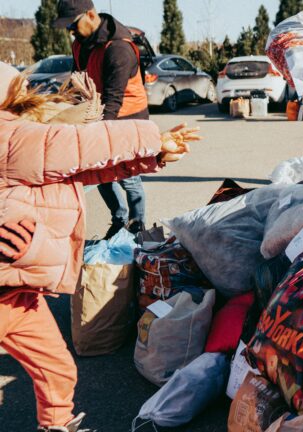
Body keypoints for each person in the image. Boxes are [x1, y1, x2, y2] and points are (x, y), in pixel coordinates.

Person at [0, 61, 196, 432]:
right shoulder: (13, 139)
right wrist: (154, 137)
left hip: (18, 291)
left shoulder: (20, 139)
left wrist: (151, 158)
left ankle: (57, 426)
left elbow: (80, 170)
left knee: (56, 368)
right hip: (5, 286)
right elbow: (80, 146)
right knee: (56, 368)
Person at [54, 0, 151, 239]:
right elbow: (79, 81)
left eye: (73, 25)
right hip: (100, 114)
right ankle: (119, 221)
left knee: (128, 177)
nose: (71, 31)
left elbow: (114, 99)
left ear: (90, 15)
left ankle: (138, 226)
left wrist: (95, 137)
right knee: (102, 176)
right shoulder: (80, 44)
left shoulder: (119, 48)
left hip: (128, 119)